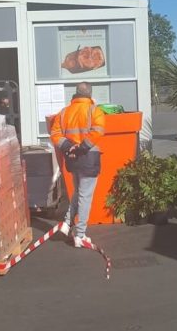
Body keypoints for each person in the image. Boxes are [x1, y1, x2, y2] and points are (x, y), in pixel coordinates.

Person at [50, 82, 105, 247]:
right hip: (88, 157)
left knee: (78, 192)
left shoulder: (64, 112)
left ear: (76, 93)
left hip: (72, 158)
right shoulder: (95, 111)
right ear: (90, 94)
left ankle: (67, 224)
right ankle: (80, 235)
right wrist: (83, 147)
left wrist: (67, 146)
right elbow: (98, 130)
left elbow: (55, 134)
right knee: (85, 197)